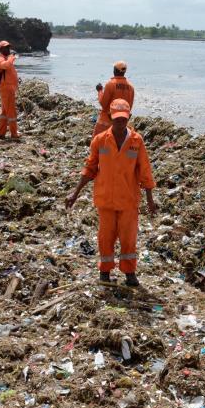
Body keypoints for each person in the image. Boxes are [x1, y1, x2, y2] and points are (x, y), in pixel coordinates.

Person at [65, 99, 157, 287]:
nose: (120, 123)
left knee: (128, 239)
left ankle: (129, 273)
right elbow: (90, 168)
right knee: (105, 237)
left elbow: (145, 171)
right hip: (106, 199)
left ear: (129, 117)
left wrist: (150, 200)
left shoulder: (136, 141)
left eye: (123, 119)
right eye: (116, 119)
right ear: (110, 118)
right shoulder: (100, 141)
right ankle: (105, 272)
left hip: (128, 200)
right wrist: (75, 193)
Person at [93, 61, 135, 136]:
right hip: (122, 124)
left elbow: (103, 104)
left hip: (106, 122)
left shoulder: (110, 84)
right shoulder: (131, 87)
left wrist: (100, 91)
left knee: (97, 144)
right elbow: (129, 107)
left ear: (115, 70)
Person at [0, 40, 19, 140]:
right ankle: (14, 134)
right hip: (6, 89)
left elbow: (9, 71)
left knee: (4, 112)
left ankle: (1, 133)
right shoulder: (0, 59)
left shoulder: (6, 58)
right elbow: (5, 65)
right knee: (11, 112)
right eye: (6, 47)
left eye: (9, 47)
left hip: (9, 88)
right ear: (1, 49)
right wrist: (12, 57)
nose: (8, 49)